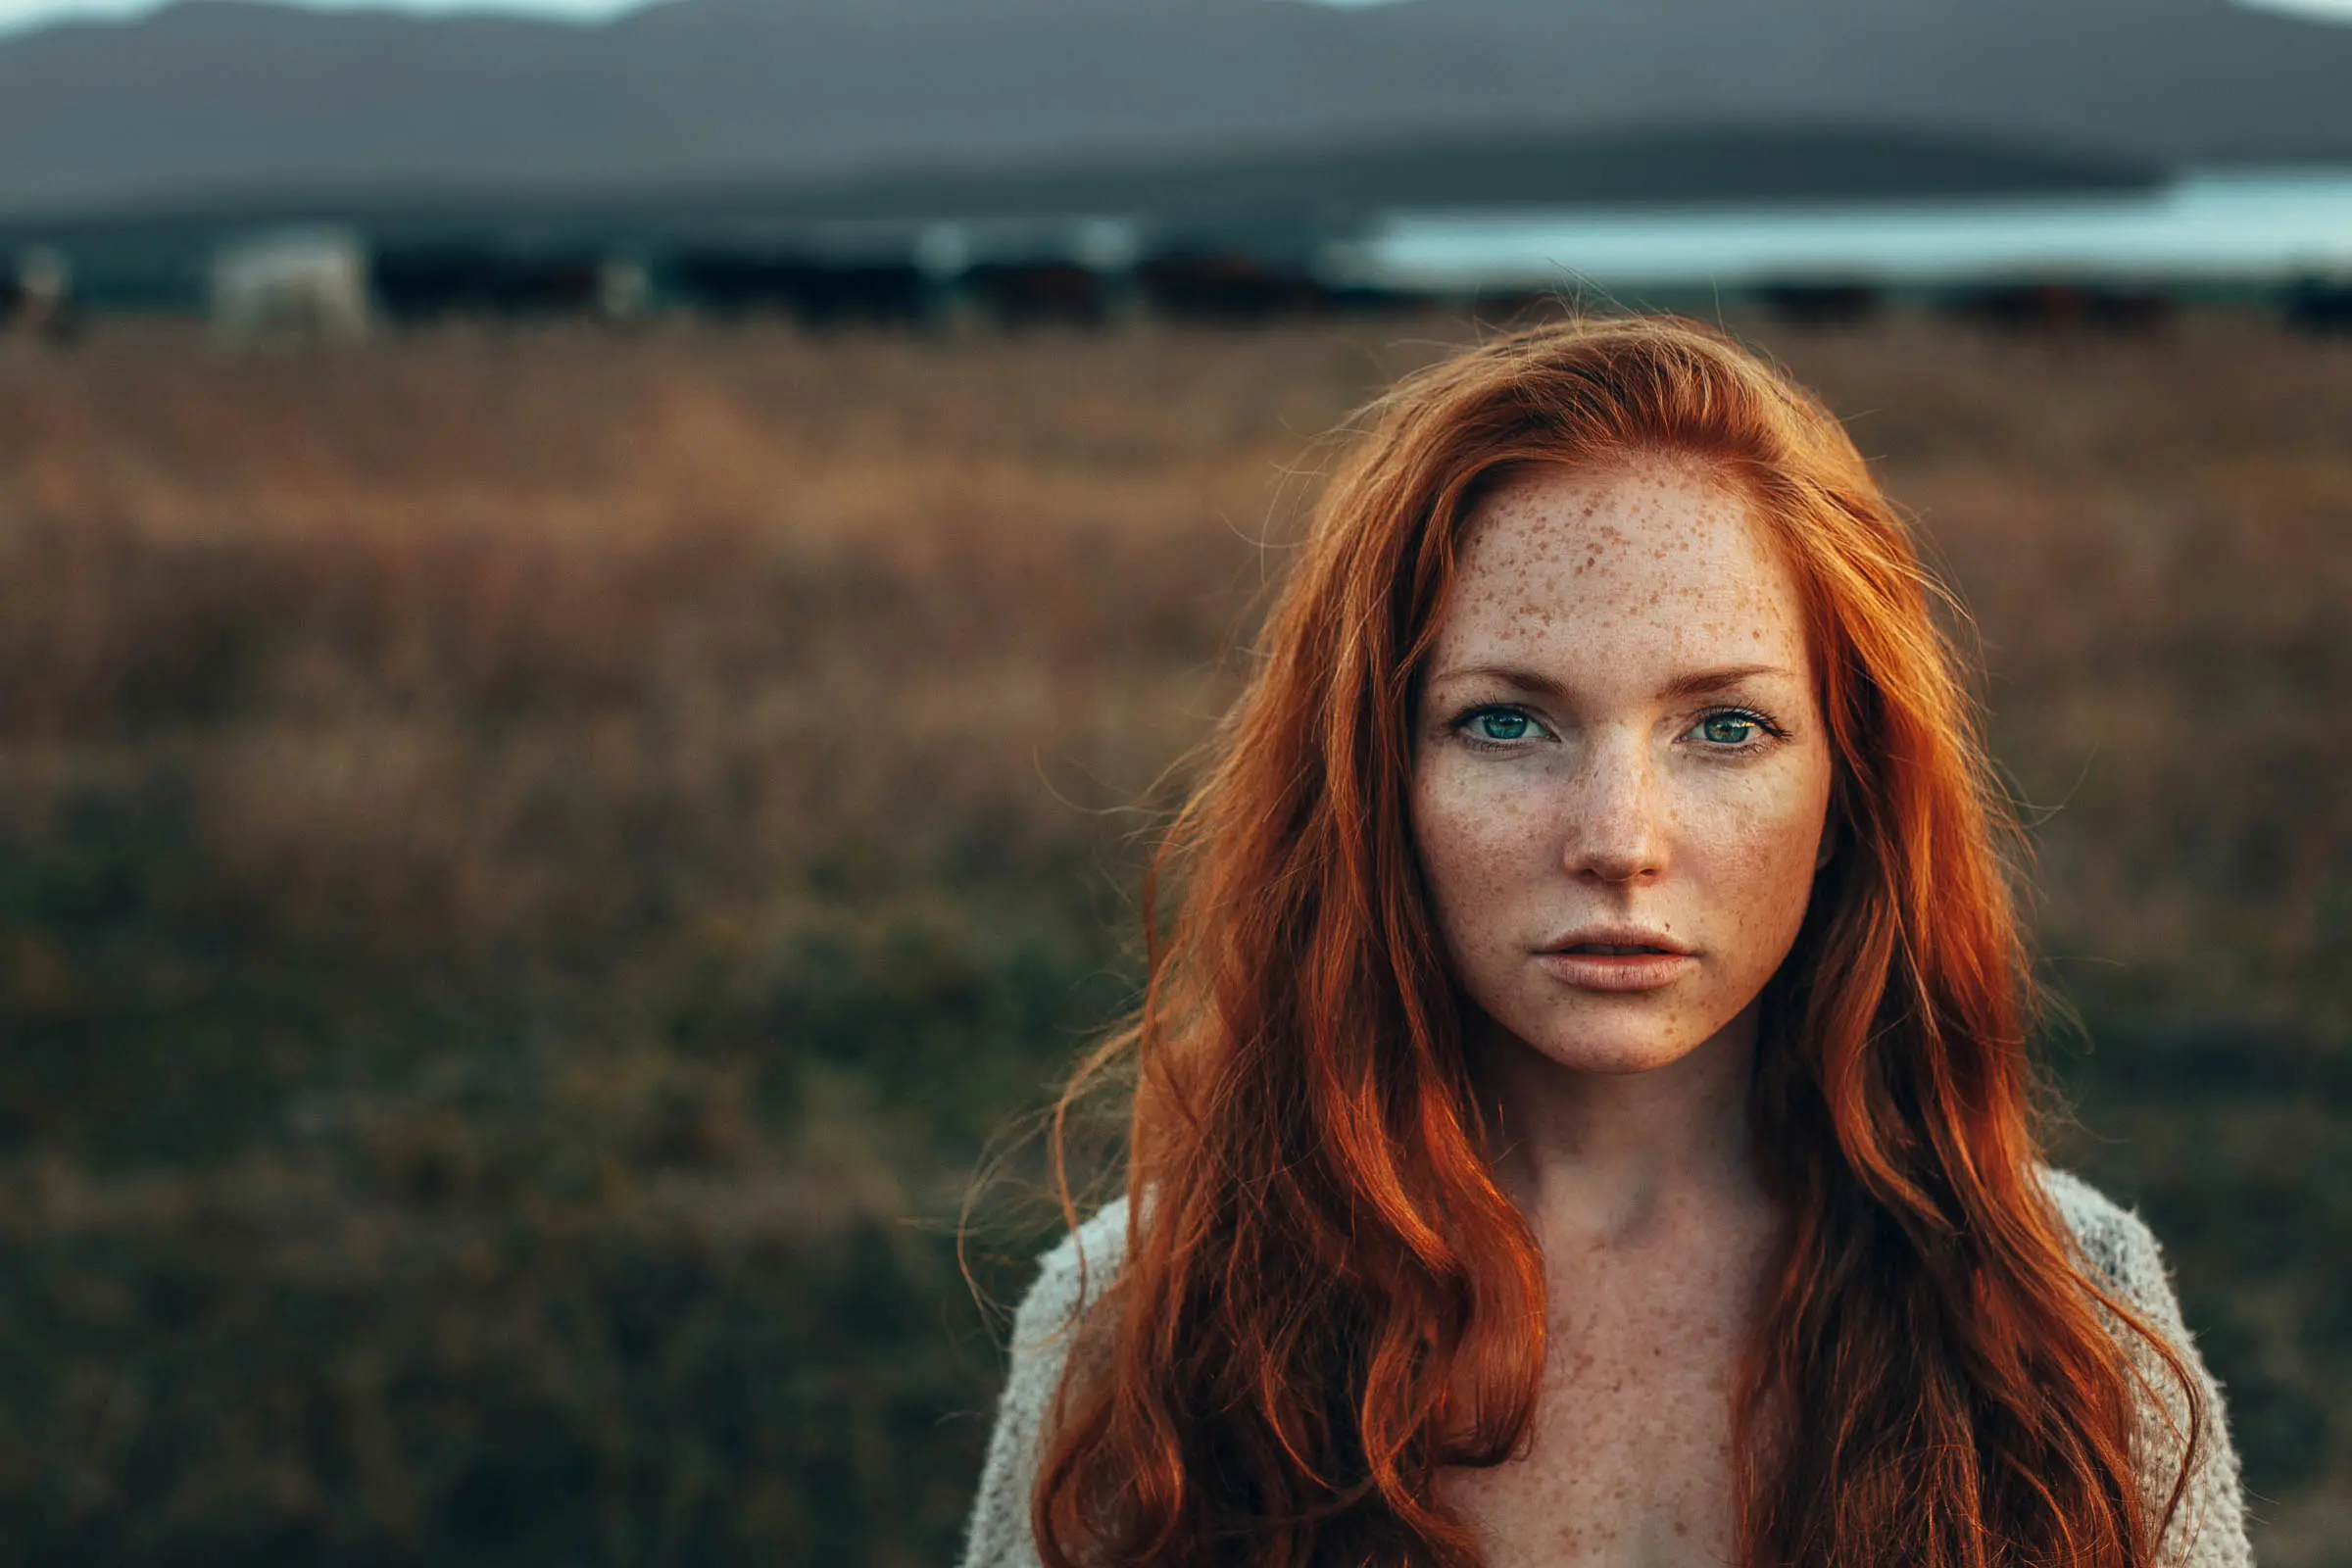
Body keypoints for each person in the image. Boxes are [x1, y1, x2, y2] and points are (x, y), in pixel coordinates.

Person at [957, 314, 2252, 1568]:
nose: (1618, 840)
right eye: (1509, 724)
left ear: (1852, 786)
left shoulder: (2066, 1308)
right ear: (1374, 782)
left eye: (1725, 729)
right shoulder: (1139, 1318)